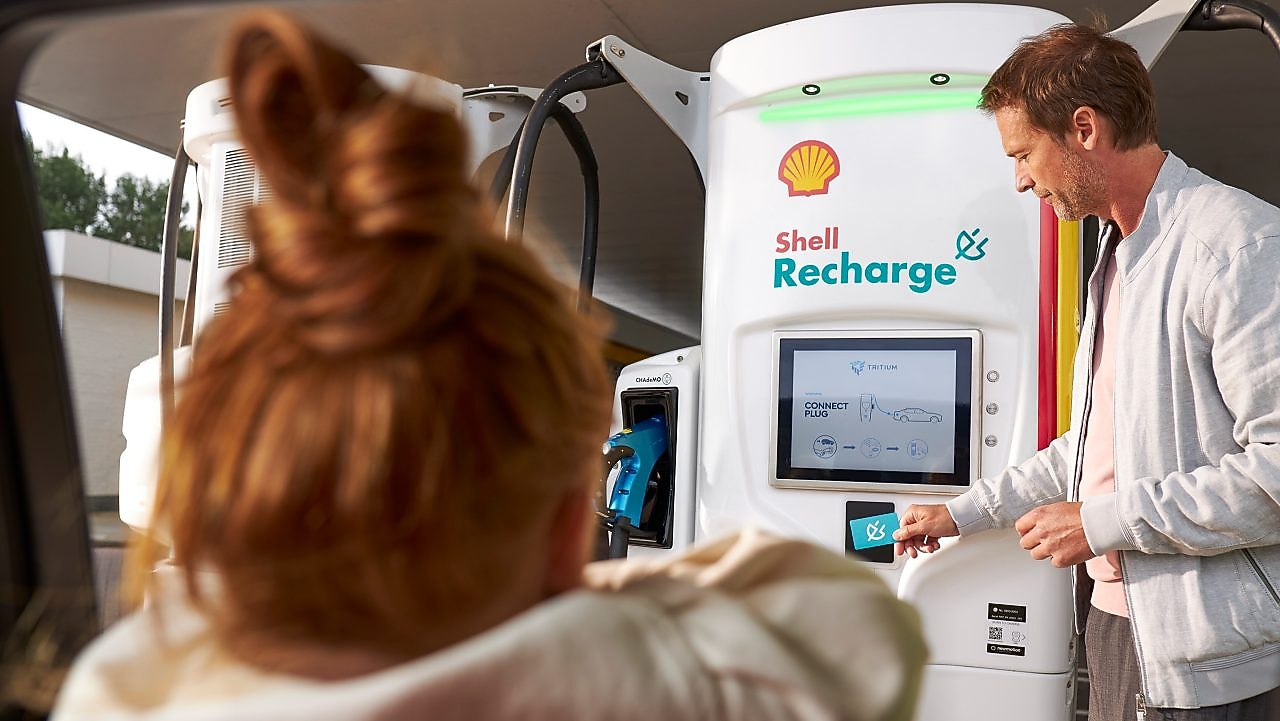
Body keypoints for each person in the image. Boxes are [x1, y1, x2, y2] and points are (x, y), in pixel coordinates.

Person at [49, 11, 926, 721]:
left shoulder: (120, 690)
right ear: (556, 530)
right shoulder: (617, 682)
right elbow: (863, 621)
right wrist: (575, 585)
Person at [892, 22, 1280, 721]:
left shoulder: (1237, 245)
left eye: (1023, 153)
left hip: (1209, 659)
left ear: (1083, 128)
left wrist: (1101, 522)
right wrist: (960, 513)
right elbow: (1095, 446)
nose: (1019, 179)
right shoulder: (1116, 257)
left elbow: (1274, 475)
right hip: (1116, 626)